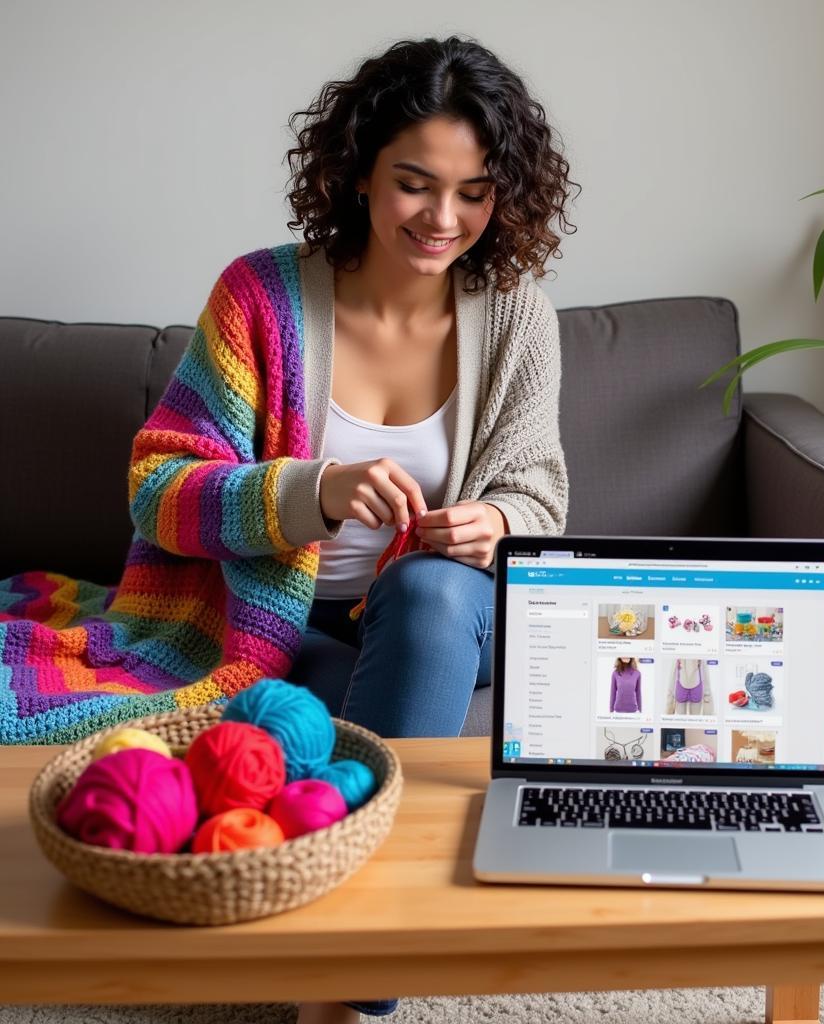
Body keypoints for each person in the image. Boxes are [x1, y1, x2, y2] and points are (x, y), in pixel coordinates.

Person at [0, 33, 576, 1023]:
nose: (444, 219)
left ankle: (352, 975)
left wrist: (495, 521)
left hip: (443, 621)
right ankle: (347, 968)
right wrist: (312, 489)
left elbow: (540, 502)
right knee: (307, 723)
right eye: (414, 184)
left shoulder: (517, 313)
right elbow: (160, 493)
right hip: (277, 630)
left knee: (432, 591)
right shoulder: (261, 296)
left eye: (475, 191)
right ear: (355, 171)